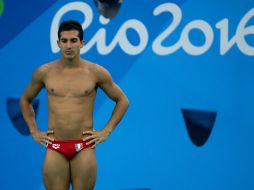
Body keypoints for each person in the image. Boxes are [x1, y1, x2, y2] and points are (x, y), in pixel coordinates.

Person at [20, 20, 129, 190]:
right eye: (64, 41)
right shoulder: (44, 72)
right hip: (55, 146)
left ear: (82, 43)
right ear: (58, 44)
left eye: (73, 40)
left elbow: (122, 100)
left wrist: (106, 131)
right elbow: (25, 100)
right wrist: (34, 130)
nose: (68, 45)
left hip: (84, 147)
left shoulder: (96, 72)